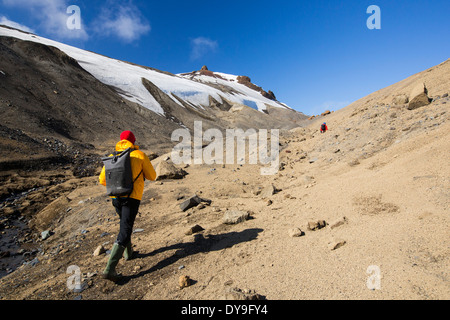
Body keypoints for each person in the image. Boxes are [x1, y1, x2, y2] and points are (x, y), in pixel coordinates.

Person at [99, 130, 157, 281]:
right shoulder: (139, 155)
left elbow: (102, 180)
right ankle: (109, 269)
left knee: (124, 224)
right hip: (132, 197)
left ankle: (128, 253)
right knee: (126, 228)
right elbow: (152, 176)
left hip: (116, 197)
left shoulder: (113, 157)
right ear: (133, 140)